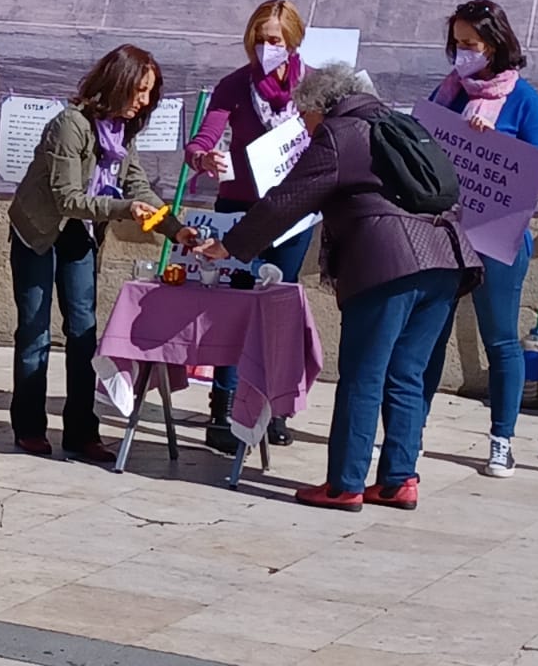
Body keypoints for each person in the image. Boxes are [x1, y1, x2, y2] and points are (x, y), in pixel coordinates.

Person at [198, 63, 482, 512]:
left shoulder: (338, 133)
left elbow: (286, 199)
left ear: (319, 106)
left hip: (388, 264)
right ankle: (399, 479)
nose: (303, 126)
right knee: (407, 374)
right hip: (446, 259)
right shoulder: (400, 121)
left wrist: (231, 245)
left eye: (303, 115)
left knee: (363, 374)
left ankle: (345, 483)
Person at [7, 45, 192, 463]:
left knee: (84, 332)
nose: (143, 102)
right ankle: (30, 428)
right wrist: (125, 210)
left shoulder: (122, 132)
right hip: (38, 230)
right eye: (139, 91)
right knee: (35, 332)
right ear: (117, 83)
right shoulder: (70, 125)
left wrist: (176, 229)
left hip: (81, 233)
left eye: (149, 94)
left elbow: (137, 187)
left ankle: (80, 431)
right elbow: (68, 199)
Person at [422, 0, 538, 480]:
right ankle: (411, 432)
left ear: (495, 45)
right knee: (429, 337)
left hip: (498, 236)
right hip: (443, 234)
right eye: (456, 44)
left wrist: (495, 144)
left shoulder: (523, 100)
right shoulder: (446, 92)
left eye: (471, 45)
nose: (462, 54)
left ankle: (502, 440)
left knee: (500, 340)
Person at [183, 0, 315, 452]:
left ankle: (274, 409)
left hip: (293, 214)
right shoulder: (235, 85)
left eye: (275, 40)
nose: (266, 48)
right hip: (239, 210)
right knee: (237, 307)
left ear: (293, 41)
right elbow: (204, 135)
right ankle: (223, 409)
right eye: (259, 40)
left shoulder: (312, 85)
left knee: (281, 312)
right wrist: (203, 155)